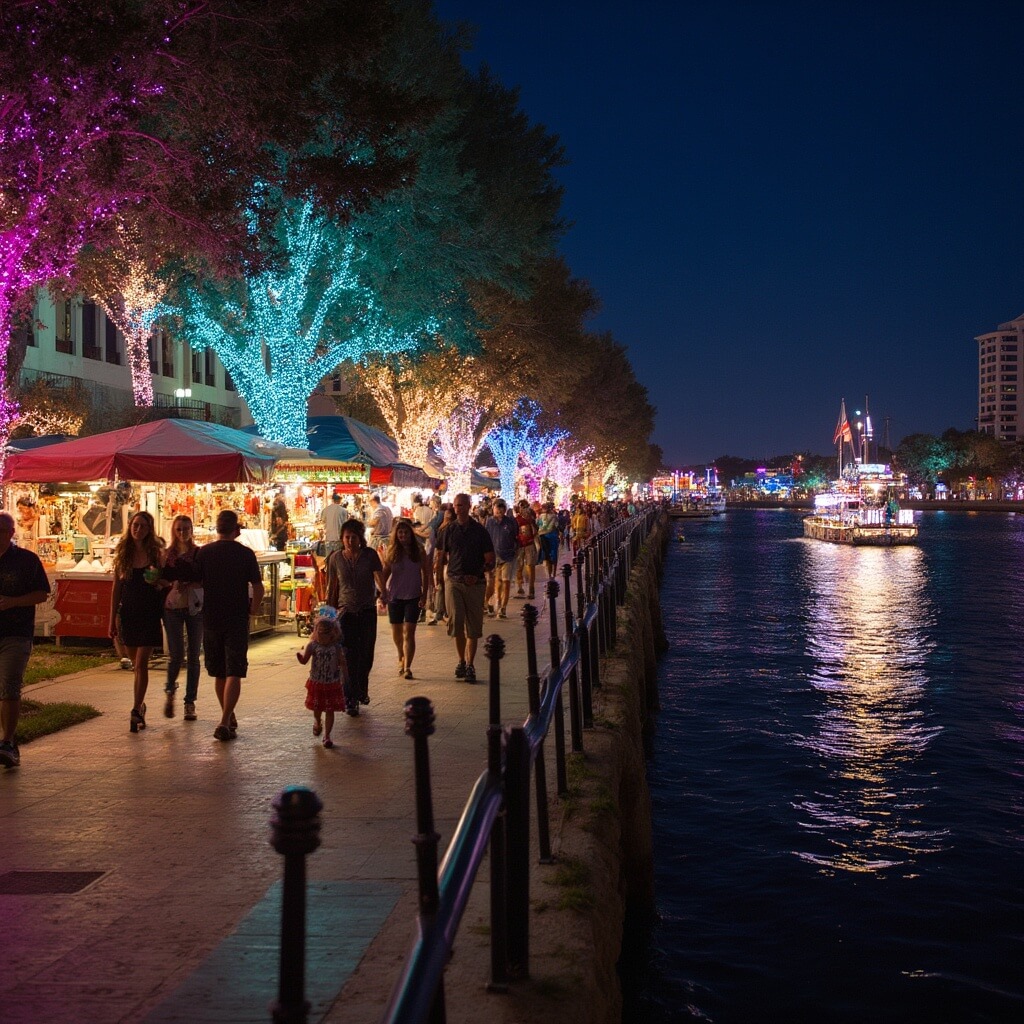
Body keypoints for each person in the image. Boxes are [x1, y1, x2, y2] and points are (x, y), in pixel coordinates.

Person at [169, 509, 264, 741]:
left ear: (217, 528)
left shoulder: (205, 552)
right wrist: (254, 608)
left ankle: (227, 716)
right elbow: (258, 587)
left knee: (220, 672)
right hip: (236, 617)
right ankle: (224, 719)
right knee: (235, 671)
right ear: (237, 530)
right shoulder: (246, 554)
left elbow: (196, 580)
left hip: (211, 617)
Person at [0, 512, 50, 769]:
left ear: (10, 533)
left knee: (9, 684)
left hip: (16, 633)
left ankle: (8, 742)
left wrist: (13, 602)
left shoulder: (26, 561)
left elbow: (42, 594)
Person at [108, 511, 166, 734]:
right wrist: (111, 618)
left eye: (142, 526)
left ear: (149, 529)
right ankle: (140, 705)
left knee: (141, 663)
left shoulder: (156, 555)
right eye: (135, 525)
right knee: (135, 664)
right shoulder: (123, 555)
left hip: (149, 613)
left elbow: (166, 581)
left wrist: (158, 581)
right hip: (129, 613)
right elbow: (116, 589)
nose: (137, 529)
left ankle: (135, 708)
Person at [325, 518, 384, 715]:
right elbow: (332, 587)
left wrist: (384, 592)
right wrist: (328, 616)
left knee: (365, 654)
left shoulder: (370, 555)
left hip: (367, 611)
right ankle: (350, 696)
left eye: (354, 537)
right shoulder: (336, 559)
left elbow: (378, 576)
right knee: (348, 656)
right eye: (347, 537)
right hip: (345, 613)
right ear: (342, 539)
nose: (350, 541)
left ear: (361, 538)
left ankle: (361, 690)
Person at [434, 492, 494, 684]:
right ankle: (461, 660)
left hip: (475, 583)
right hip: (454, 581)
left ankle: (470, 663)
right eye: (456, 505)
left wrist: (477, 573)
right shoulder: (448, 530)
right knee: (457, 622)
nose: (458, 509)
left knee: (473, 627)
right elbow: (440, 556)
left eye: (461, 505)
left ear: (469, 506)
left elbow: (490, 559)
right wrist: (437, 580)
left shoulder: (480, 531)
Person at [162, 515, 203, 721]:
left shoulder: (198, 554)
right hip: (173, 607)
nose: (182, 533)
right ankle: (170, 691)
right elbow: (161, 580)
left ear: (191, 530)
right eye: (179, 529)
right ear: (173, 531)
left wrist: (192, 584)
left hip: (194, 606)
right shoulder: (166, 555)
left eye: (186, 529)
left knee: (194, 655)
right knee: (176, 654)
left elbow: (204, 578)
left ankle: (190, 702)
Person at [380, 518, 430, 679]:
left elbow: (425, 572)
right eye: (400, 532)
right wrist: (382, 592)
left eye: (405, 532)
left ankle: (408, 666)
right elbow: (385, 572)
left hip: (413, 596)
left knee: (409, 632)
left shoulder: (419, 550)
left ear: (410, 533)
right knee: (397, 633)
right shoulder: (392, 551)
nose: (403, 535)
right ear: (397, 535)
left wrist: (424, 594)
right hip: (395, 596)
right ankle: (401, 655)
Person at [296, 605, 348, 748]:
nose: (324, 637)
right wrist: (300, 658)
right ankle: (318, 722)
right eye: (321, 633)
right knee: (317, 708)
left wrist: (345, 677)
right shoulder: (312, 646)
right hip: (317, 682)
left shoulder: (336, 647)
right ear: (316, 632)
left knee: (330, 710)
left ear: (333, 634)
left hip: (332, 683)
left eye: (327, 634)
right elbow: (305, 660)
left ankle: (327, 735)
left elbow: (342, 663)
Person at [485, 500, 519, 619]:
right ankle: (495, 602)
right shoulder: (489, 522)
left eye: (501, 508)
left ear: (505, 509)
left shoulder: (510, 522)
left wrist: (514, 550)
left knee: (506, 581)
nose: (499, 510)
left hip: (508, 556)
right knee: (496, 583)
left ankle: (503, 607)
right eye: (497, 507)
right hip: (494, 557)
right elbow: (486, 538)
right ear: (493, 508)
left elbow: (516, 536)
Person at [513, 499, 537, 599]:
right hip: (519, 545)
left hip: (529, 544)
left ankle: (531, 589)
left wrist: (531, 521)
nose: (523, 508)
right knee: (519, 567)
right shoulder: (516, 519)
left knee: (530, 566)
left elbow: (535, 530)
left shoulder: (531, 517)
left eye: (525, 506)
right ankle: (520, 586)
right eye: (521, 506)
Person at [536, 501, 560, 579]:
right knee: (554, 555)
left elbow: (538, 525)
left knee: (547, 556)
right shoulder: (554, 516)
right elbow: (556, 525)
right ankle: (554, 573)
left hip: (543, 536)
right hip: (553, 536)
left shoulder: (540, 517)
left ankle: (549, 574)